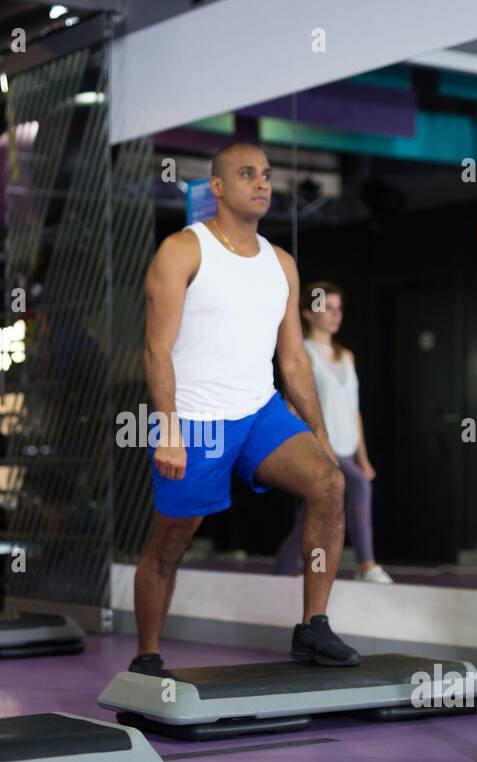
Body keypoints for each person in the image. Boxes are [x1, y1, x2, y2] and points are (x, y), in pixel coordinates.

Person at [132, 141, 358, 677]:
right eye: (247, 173)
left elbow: (294, 359)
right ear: (216, 187)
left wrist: (320, 436)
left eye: (267, 174)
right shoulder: (182, 251)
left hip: (260, 411)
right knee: (170, 542)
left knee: (328, 482)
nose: (262, 183)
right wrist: (166, 431)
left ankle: (313, 628)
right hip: (194, 419)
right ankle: (146, 657)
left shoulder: (281, 264)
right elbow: (156, 349)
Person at [274, 281, 391, 584]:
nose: (335, 315)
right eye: (327, 308)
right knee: (356, 490)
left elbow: (354, 411)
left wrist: (363, 458)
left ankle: (283, 567)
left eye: (339, 308)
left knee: (314, 512)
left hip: (348, 448)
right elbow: (293, 406)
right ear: (308, 313)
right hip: (319, 449)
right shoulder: (303, 355)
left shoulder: (347, 357)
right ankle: (366, 564)